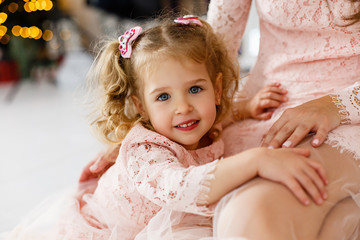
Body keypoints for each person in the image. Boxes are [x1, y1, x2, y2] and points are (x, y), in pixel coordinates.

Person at [4, 15, 331, 240]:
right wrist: (258, 159)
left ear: (216, 90)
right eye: (163, 96)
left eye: (195, 89)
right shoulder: (145, 152)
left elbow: (219, 121)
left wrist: (246, 108)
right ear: (139, 106)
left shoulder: (195, 123)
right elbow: (182, 186)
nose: (183, 107)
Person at [205, 0, 360, 239]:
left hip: (349, 115)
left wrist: (333, 106)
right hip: (258, 110)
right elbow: (212, 52)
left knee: (253, 212)